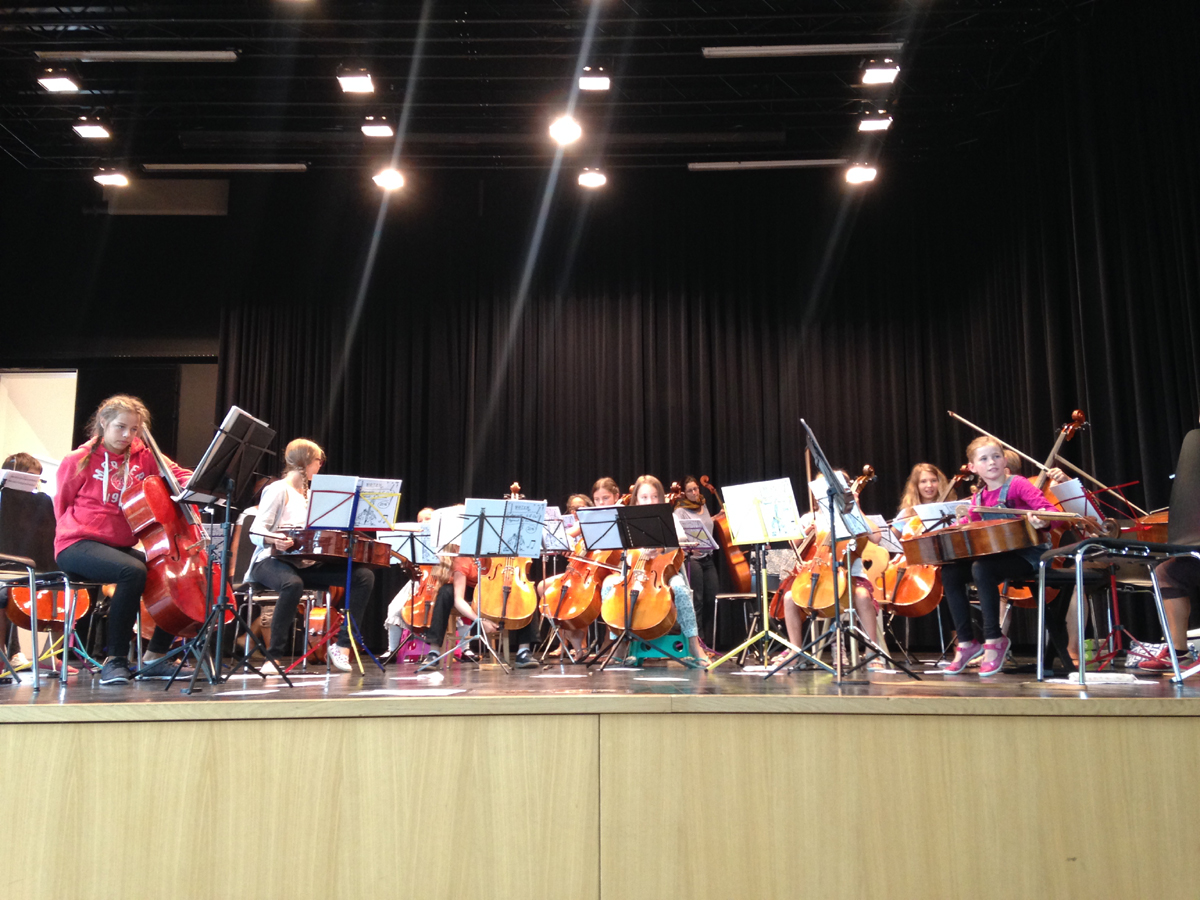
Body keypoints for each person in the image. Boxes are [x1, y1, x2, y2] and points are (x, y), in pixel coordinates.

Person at [53, 395, 193, 685]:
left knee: (174, 574)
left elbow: (179, 475)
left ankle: (155, 657)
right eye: (120, 427)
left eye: (134, 429)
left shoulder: (146, 456)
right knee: (132, 571)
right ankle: (115, 660)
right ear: (103, 423)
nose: (127, 435)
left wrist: (198, 480)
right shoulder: (76, 460)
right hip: (76, 544)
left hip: (118, 548)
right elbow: (62, 504)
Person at [246, 438, 375, 674]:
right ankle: (273, 657)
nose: (320, 466)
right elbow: (255, 531)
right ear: (305, 461)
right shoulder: (278, 489)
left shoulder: (312, 495)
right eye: (318, 461)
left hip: (304, 563)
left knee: (363, 576)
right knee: (292, 584)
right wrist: (275, 539)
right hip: (270, 560)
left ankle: (343, 646)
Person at [941, 436, 1061, 676]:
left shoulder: (1018, 484)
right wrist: (955, 528)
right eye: (984, 459)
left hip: (1031, 555)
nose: (991, 462)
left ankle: (994, 640)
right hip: (999, 557)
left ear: (1005, 460)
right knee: (950, 572)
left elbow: (1052, 513)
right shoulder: (978, 499)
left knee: (982, 568)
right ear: (973, 467)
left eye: (996, 456)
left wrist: (1042, 519)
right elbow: (971, 528)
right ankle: (966, 642)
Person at [600, 475, 709, 666]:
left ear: (661, 497)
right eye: (644, 497)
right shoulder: (629, 520)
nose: (649, 501)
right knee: (609, 586)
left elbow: (683, 540)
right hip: (633, 573)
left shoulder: (670, 517)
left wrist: (662, 547)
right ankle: (619, 642)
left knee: (681, 589)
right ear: (636, 500)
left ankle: (694, 644)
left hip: (664, 575)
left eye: (654, 496)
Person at [674, 476, 718, 650]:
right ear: (684, 493)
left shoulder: (703, 504)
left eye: (696, 489)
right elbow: (679, 537)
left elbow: (705, 525)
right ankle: (697, 642)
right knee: (697, 600)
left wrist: (717, 517)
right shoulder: (680, 511)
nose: (694, 492)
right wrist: (690, 549)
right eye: (690, 490)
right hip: (692, 559)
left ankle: (709, 641)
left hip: (708, 558)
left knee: (711, 598)